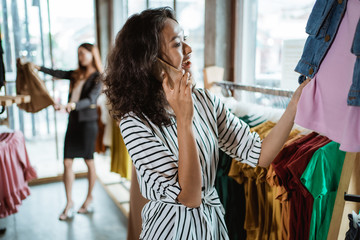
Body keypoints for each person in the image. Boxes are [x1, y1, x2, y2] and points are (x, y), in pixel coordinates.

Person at [103, 7, 310, 239]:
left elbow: (260, 154)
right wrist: (184, 119)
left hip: (212, 228)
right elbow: (189, 196)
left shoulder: (203, 100)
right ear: (151, 61)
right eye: (177, 44)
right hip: (170, 230)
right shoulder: (134, 123)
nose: (189, 49)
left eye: (185, 40)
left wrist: (294, 105)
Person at [34, 43, 103, 220]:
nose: (80, 57)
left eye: (83, 53)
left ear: (92, 54)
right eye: (78, 53)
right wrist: (38, 67)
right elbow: (58, 73)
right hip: (73, 122)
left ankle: (89, 198)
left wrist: (72, 105)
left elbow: (91, 99)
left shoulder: (98, 77)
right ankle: (69, 202)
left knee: (89, 161)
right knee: (67, 162)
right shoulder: (76, 74)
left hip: (88, 123)